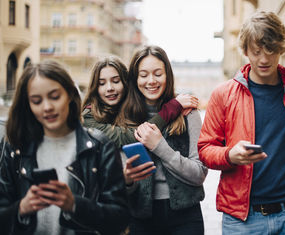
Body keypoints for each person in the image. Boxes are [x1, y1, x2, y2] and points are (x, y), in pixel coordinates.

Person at [198, 11, 285, 235]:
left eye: (271, 50)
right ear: (245, 51)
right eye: (256, 52)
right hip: (241, 221)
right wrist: (229, 156)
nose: (264, 59)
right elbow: (205, 149)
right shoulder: (223, 95)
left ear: (281, 48)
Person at [0, 60, 130, 235]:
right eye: (36, 101)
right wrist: (21, 209)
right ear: (28, 104)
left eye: (54, 97)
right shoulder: (14, 146)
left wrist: (74, 205)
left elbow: (119, 219)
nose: (47, 107)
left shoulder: (100, 145)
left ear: (69, 94)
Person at [114, 45, 208, 235]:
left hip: (186, 216)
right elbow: (118, 184)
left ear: (168, 76)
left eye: (158, 74)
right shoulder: (122, 118)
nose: (151, 81)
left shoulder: (188, 112)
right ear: (135, 78)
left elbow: (199, 173)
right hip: (139, 217)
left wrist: (159, 146)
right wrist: (127, 180)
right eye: (143, 75)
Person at [82, 56, 199, 185]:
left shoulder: (130, 109)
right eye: (101, 83)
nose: (109, 88)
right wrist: (172, 108)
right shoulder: (88, 117)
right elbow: (133, 136)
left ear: (126, 83)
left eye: (116, 81)